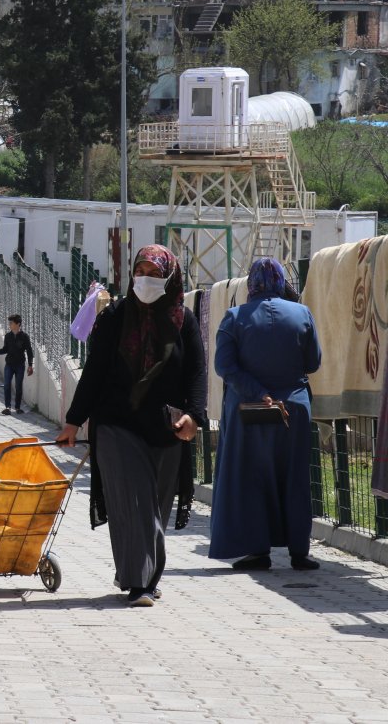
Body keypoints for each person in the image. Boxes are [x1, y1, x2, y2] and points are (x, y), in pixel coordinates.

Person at [55, 245, 207, 607]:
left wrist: (194, 416)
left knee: (154, 506)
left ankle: (141, 576)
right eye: (140, 272)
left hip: (165, 427)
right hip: (116, 424)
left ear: (170, 277)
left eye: (155, 273)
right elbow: (94, 371)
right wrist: (74, 421)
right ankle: (140, 583)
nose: (146, 279)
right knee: (135, 501)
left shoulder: (182, 320)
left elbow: (197, 374)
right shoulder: (116, 316)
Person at [209, 258, 322, 572]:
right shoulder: (302, 314)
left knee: (253, 477)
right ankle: (300, 552)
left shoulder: (234, 318)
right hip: (294, 411)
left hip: (250, 412)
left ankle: (258, 552)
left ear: (251, 283)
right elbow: (313, 363)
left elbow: (225, 367)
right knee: (296, 478)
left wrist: (259, 391)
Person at [0, 314, 34, 414]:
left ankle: (17, 407)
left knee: (18, 386)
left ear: (18, 324)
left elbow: (29, 351)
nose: (9, 325)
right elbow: (5, 349)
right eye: (9, 323)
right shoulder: (8, 336)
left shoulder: (24, 337)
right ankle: (7, 407)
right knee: (7, 384)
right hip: (9, 365)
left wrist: (30, 365)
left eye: (11, 323)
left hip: (20, 365)